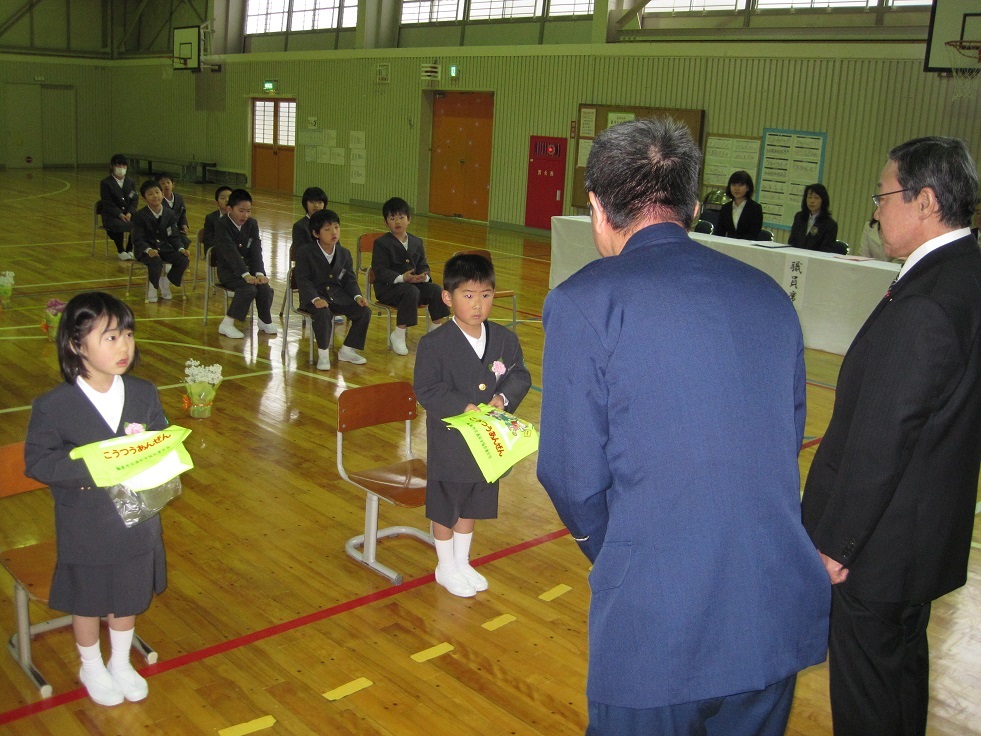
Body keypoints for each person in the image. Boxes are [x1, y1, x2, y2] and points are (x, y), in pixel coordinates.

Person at [536, 118, 829, 736]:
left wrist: (625, 551)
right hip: (769, 609)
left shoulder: (585, 301)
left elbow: (570, 475)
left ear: (596, 207)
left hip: (656, 627)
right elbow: (787, 437)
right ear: (695, 208)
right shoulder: (769, 296)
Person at [800, 137, 981, 736]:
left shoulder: (928, 301)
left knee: (869, 700)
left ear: (924, 201)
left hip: (879, 550)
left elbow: (884, 438)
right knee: (899, 680)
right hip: (921, 539)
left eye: (882, 196)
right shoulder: (965, 274)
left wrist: (838, 545)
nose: (876, 211)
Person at [24, 292, 168, 707]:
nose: (124, 346)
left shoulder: (142, 392)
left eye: (128, 334)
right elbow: (39, 462)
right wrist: (97, 465)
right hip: (85, 520)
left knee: (129, 589)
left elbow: (160, 439)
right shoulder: (54, 405)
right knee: (87, 597)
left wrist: (158, 452)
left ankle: (120, 662)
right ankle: (91, 664)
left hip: (137, 518)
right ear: (76, 344)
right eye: (110, 337)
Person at [414, 253, 531, 598]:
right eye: (468, 295)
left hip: (487, 440)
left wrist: (503, 398)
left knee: (473, 498)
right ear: (447, 297)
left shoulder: (504, 339)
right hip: (451, 439)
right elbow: (427, 388)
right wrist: (462, 406)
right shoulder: (434, 344)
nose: (478, 304)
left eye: (486, 295)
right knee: (446, 501)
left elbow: (519, 374)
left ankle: (462, 561)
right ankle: (445, 566)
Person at [371, 197, 450, 355]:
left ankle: (436, 332)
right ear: (386, 222)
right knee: (410, 291)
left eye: (401, 217)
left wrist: (424, 276)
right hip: (389, 289)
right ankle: (398, 334)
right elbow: (380, 270)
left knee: (436, 290)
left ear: (409, 219)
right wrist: (402, 278)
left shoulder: (416, 241)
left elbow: (423, 265)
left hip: (414, 286)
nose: (397, 221)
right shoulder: (381, 243)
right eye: (392, 218)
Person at [294, 209, 370, 370]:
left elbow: (349, 279)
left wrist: (357, 296)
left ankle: (347, 350)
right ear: (316, 233)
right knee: (323, 314)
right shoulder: (305, 252)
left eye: (336, 227)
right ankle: (323, 354)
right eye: (327, 229)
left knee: (363, 311)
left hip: (337, 296)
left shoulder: (344, 253)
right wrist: (315, 299)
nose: (334, 232)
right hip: (313, 298)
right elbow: (303, 280)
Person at [212, 188, 277, 339]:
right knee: (249, 289)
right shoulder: (222, 224)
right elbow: (231, 253)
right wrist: (245, 275)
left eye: (248, 211)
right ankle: (227, 323)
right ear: (230, 209)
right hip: (229, 271)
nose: (245, 215)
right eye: (241, 211)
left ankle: (264, 320)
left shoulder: (252, 224)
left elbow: (256, 250)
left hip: (249, 270)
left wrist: (259, 273)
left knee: (264, 288)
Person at [131, 179, 190, 303]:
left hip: (164, 248)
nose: (155, 196)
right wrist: (148, 250)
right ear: (144, 198)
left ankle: (166, 282)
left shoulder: (170, 214)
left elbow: (174, 236)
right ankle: (153, 286)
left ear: (162, 194)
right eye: (150, 194)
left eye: (157, 192)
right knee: (155, 261)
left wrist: (181, 249)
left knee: (183, 260)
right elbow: (138, 239)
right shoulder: (139, 215)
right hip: (145, 251)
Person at [99, 154, 138, 261]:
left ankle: (129, 249)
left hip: (128, 213)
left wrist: (130, 212)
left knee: (140, 222)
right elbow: (107, 202)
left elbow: (134, 199)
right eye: (118, 165)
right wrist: (120, 214)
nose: (121, 168)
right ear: (112, 166)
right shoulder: (106, 183)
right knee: (118, 224)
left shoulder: (130, 182)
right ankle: (121, 250)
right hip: (112, 215)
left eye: (124, 166)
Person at [788, 183, 839, 252]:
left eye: (816, 198)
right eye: (809, 197)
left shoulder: (830, 225)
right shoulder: (799, 217)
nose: (811, 201)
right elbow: (791, 242)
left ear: (823, 200)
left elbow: (826, 250)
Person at [714, 170, 763, 240]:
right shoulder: (726, 208)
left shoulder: (755, 208)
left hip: (746, 245)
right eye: (733, 185)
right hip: (727, 244)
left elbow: (753, 234)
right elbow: (719, 232)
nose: (736, 188)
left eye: (740, 185)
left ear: (748, 188)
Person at [155, 173, 191, 251]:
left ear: (173, 184)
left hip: (177, 230)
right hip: (163, 232)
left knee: (185, 242)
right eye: (162, 183)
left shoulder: (178, 197)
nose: (166, 185)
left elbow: (182, 213)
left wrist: (184, 224)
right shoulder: (157, 200)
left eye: (168, 182)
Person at [291, 186, 329, 255]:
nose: (316, 205)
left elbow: (337, 248)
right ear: (305, 204)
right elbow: (300, 252)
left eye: (320, 202)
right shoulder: (300, 226)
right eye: (312, 202)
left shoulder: (329, 224)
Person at [202, 186, 232, 252]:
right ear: (217, 203)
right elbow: (208, 240)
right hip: (218, 251)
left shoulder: (239, 217)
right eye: (223, 198)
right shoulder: (211, 218)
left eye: (230, 197)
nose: (227, 200)